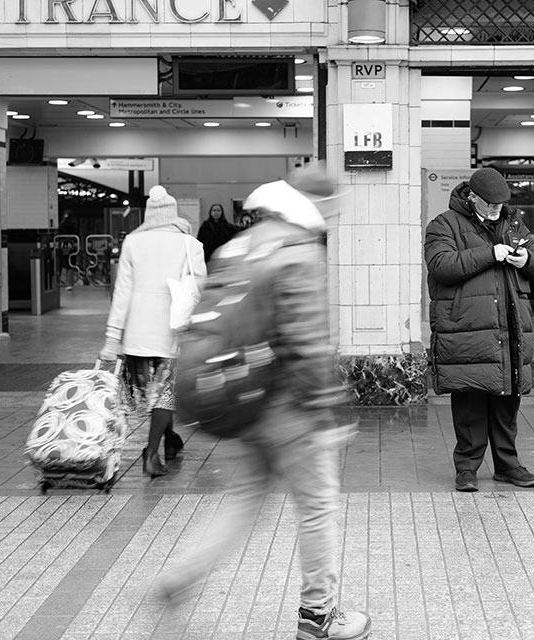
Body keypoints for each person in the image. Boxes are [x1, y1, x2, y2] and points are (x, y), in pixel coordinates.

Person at [155, 172, 372, 640]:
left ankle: (183, 575)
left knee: (246, 498)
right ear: (314, 205)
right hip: (287, 405)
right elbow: (305, 338)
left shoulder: (239, 244)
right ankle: (319, 617)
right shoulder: (298, 250)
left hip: (241, 398)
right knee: (316, 507)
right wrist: (324, 408)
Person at [424, 167, 534, 492]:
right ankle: (467, 468)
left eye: (500, 205)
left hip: (510, 328)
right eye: (490, 205)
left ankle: (508, 466)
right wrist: (489, 253)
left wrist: (527, 260)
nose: (496, 211)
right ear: (472, 197)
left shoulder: (512, 223)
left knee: (508, 401)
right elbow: (441, 265)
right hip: (468, 329)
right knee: (471, 401)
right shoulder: (444, 224)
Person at [99, 185, 206, 476]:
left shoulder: (133, 242)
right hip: (172, 331)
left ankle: (170, 439)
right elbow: (200, 287)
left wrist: (112, 336)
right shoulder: (189, 244)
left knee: (155, 393)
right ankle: (151, 452)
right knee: (165, 394)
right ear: (173, 213)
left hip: (137, 333)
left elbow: (121, 292)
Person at [55, 211, 79, 291]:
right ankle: (69, 284)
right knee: (70, 264)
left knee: (60, 264)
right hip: (71, 245)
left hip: (62, 245)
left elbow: (58, 235)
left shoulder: (61, 225)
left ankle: (57, 282)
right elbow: (77, 233)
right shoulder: (74, 225)